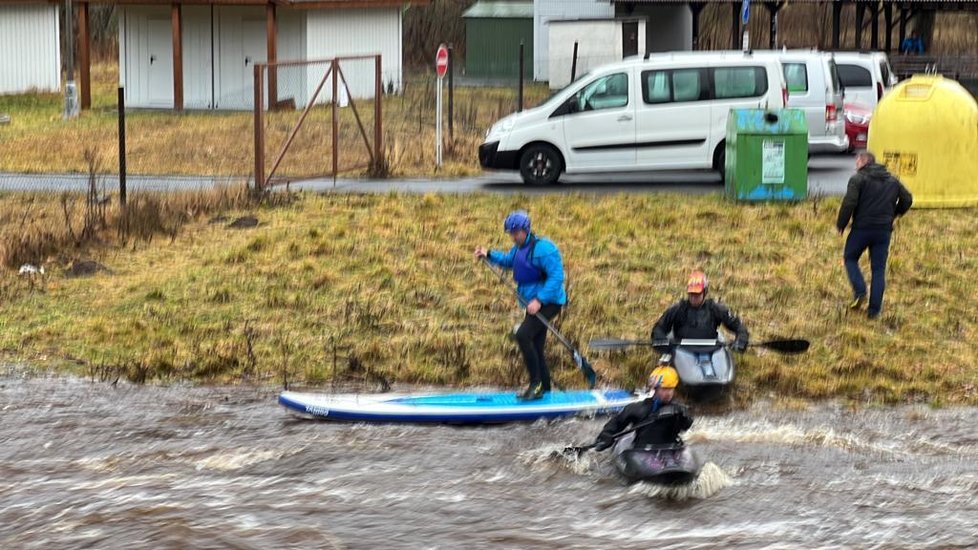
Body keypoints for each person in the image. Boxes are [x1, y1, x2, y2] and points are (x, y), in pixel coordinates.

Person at [474, 210, 567, 400]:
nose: (513, 237)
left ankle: (536, 384)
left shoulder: (544, 249)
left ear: (526, 229)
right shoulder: (519, 248)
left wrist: (539, 300)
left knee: (523, 335)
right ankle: (545, 390)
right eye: (511, 233)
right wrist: (489, 254)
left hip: (549, 303)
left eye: (516, 233)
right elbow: (509, 261)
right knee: (535, 344)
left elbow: (557, 277)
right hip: (533, 304)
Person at [836, 151, 913, 319]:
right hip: (883, 230)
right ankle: (874, 311)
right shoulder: (892, 180)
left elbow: (849, 202)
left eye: (857, 160)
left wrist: (841, 223)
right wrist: (894, 214)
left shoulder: (858, 179)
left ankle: (860, 291)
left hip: (862, 229)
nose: (856, 163)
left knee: (850, 257)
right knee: (878, 270)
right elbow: (907, 199)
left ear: (864, 162)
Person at [651, 271, 749, 375]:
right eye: (691, 294)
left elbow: (739, 327)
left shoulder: (716, 308)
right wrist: (660, 340)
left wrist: (741, 339)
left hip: (711, 348)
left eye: (697, 294)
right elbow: (658, 328)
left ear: (705, 292)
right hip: (683, 348)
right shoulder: (677, 309)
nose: (693, 297)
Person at [592, 365, 692, 451]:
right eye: (665, 389)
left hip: (669, 450)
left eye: (671, 389)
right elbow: (616, 423)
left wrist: (684, 416)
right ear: (655, 389)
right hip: (642, 451)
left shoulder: (678, 409)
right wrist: (606, 435)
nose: (669, 393)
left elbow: (686, 426)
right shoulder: (638, 409)